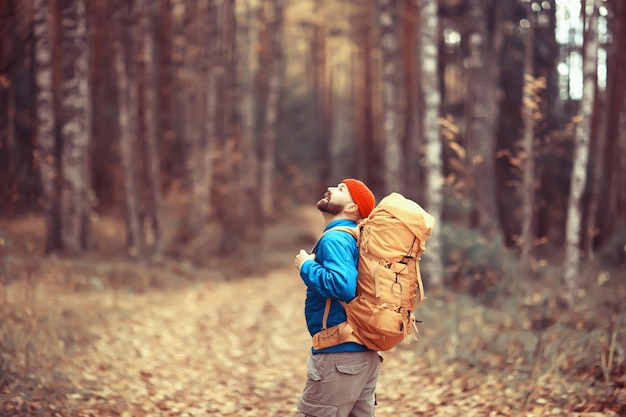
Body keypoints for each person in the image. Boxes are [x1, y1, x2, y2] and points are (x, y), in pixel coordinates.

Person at [293, 178, 381, 417]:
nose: (330, 188)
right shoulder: (356, 238)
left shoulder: (336, 238)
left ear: (352, 208)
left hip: (339, 356)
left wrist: (306, 267)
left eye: (341, 189)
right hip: (363, 355)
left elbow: (342, 286)